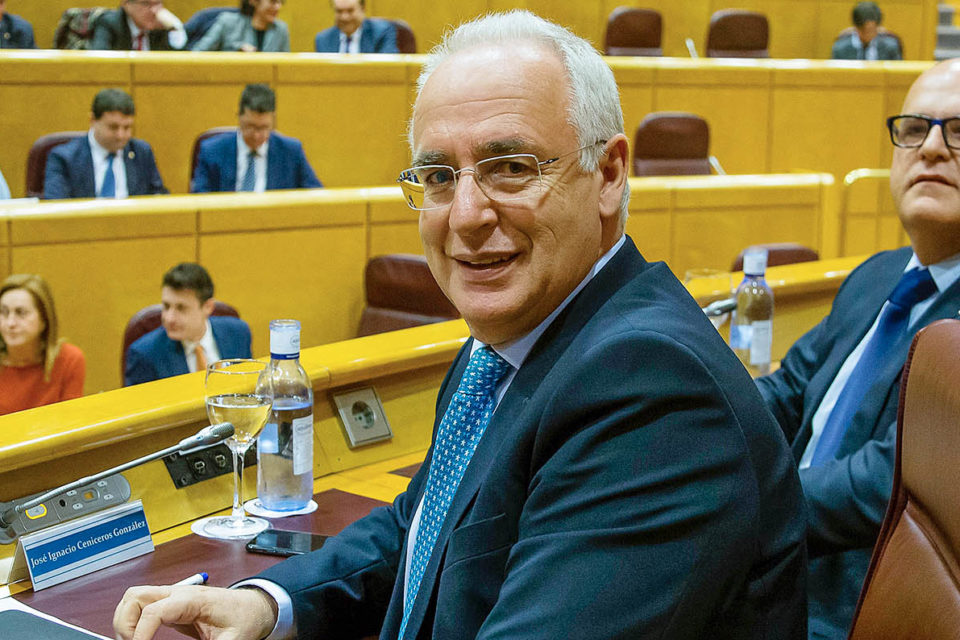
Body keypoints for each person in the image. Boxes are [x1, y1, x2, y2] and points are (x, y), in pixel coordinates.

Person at [114, 11, 807, 639]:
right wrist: (269, 602)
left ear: (609, 174)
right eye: (439, 176)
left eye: (510, 167)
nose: (466, 214)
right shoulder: (511, 345)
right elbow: (425, 529)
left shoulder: (651, 391)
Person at [756, 58, 960, 639]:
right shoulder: (878, 274)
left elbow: (885, 482)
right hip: (773, 562)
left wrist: (740, 497)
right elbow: (789, 389)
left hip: (847, 604)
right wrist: (693, 419)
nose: (932, 149)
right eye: (916, 129)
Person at [124, 263, 252, 386]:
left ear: (208, 307)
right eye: (166, 306)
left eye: (181, 308)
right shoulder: (145, 354)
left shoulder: (238, 333)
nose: (169, 318)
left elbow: (248, 390)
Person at [191, 84, 323, 193]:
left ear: (273, 120)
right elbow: (199, 202)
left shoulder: (291, 152)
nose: (256, 136)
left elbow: (316, 197)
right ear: (239, 117)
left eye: (264, 128)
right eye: (250, 127)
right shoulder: (211, 151)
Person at [43, 89, 168, 200]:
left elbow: (158, 197)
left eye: (127, 127)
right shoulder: (64, 158)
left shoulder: (141, 152)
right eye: (113, 127)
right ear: (92, 120)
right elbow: (56, 206)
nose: (121, 135)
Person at [0, 274, 85, 416]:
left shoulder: (69, 360)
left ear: (44, 320)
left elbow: (71, 424)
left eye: (21, 313)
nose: (10, 323)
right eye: (3, 313)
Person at [193, 0, 289, 52]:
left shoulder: (281, 30)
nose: (278, 7)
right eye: (273, 1)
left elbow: (285, 67)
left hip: (266, 87)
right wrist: (236, 52)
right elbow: (197, 54)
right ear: (254, 1)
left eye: (281, 2)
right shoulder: (228, 22)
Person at [90, 0, 187, 51]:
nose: (154, 10)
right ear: (126, 4)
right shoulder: (110, 23)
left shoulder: (162, 25)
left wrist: (175, 27)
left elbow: (178, 65)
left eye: (158, 3)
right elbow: (99, 60)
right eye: (146, 3)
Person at [314, 0, 398, 53]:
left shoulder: (381, 33)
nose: (344, 17)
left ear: (363, 9)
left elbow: (389, 72)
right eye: (339, 11)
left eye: (350, 11)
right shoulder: (323, 40)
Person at [832, 1, 902, 60]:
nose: (869, 35)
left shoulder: (890, 48)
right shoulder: (840, 49)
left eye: (872, 31)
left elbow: (898, 74)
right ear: (856, 28)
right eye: (865, 31)